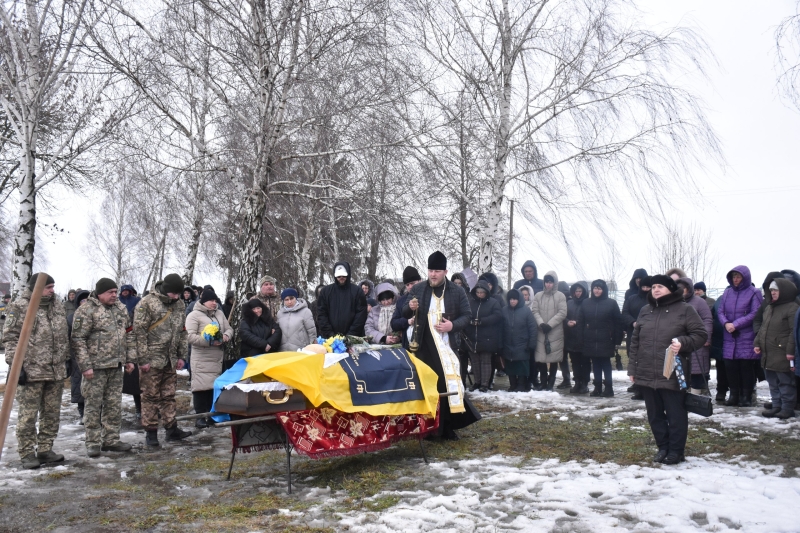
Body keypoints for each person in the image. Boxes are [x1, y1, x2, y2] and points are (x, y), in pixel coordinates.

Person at [628, 275, 708, 465]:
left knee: (675, 415)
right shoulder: (645, 311)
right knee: (654, 415)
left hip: (672, 371)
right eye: (654, 286)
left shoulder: (685, 309)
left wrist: (683, 343)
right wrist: (632, 368)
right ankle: (663, 447)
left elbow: (700, 335)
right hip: (647, 372)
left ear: (671, 289)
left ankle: (676, 451)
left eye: (660, 286)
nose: (655, 289)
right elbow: (635, 341)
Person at [403, 251, 479, 440]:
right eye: (430, 270)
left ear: (445, 271)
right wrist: (410, 309)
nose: (433, 274)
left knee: (447, 385)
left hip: (447, 345)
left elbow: (467, 315)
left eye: (437, 270)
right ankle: (428, 428)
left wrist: (452, 325)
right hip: (423, 345)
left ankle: (445, 427)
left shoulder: (456, 290)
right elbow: (404, 311)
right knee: (428, 385)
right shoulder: (418, 289)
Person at [2, 274, 69, 469]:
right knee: (28, 415)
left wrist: (67, 358)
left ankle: (45, 449)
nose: (52, 291)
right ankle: (26, 452)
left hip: (55, 369)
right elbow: (11, 337)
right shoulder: (20, 306)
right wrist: (17, 366)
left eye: (53, 287)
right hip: (31, 370)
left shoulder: (57, 304)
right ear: (36, 289)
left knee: (51, 413)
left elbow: (62, 334)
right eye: (48, 287)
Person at [71, 279, 136, 456]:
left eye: (115, 291)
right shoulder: (86, 310)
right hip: (95, 368)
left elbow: (129, 334)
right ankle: (92, 442)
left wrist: (130, 359)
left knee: (113, 405)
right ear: (99, 293)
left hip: (115, 366)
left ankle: (111, 440)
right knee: (93, 406)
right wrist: (85, 366)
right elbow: (78, 339)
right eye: (110, 292)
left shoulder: (121, 309)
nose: (114, 295)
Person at [133, 272, 192, 447]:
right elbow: (139, 333)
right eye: (174, 293)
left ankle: (171, 429)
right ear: (166, 290)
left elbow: (182, 331)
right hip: (152, 359)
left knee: (169, 395)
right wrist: (143, 359)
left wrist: (181, 355)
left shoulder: (179, 304)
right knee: (150, 396)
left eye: (179, 294)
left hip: (170, 358)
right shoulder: (147, 303)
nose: (176, 297)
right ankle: (151, 433)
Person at [185, 288, 233, 428]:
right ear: (203, 301)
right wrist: (209, 341)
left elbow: (229, 328)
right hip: (202, 357)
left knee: (214, 387)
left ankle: (213, 416)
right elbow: (189, 336)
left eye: (215, 300)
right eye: (211, 300)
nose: (214, 303)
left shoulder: (219, 313)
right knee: (201, 387)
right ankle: (200, 416)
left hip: (217, 357)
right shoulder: (194, 315)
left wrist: (226, 336)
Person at [716, 265, 763, 407]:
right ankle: (734, 395)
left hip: (746, 336)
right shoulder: (727, 293)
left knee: (746, 367)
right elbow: (720, 311)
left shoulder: (754, 292)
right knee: (730, 367)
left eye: (738, 277)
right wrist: (726, 324)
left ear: (745, 277)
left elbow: (755, 313)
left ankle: (746, 396)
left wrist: (736, 324)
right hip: (730, 335)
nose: (735, 280)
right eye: (733, 277)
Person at [754, 278, 798, 419]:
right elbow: (763, 328)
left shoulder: (792, 308)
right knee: (772, 381)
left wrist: (790, 351)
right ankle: (776, 405)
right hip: (768, 352)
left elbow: (794, 332)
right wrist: (757, 343)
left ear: (783, 291)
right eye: (771, 290)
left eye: (775, 290)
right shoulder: (769, 307)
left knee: (785, 382)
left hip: (782, 353)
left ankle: (787, 408)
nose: (772, 293)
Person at [578, 279, 622, 397]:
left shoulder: (611, 303)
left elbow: (618, 322)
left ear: (604, 290)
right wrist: (581, 337)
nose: (597, 290)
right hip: (590, 338)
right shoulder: (586, 303)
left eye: (599, 288)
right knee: (595, 363)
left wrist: (617, 339)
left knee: (606, 363)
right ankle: (597, 387)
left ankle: (609, 388)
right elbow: (581, 321)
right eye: (595, 288)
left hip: (606, 338)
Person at [464, 280, 503, 392]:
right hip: (472, 336)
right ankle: (477, 382)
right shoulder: (470, 302)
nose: (480, 294)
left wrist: (482, 321)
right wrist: (471, 321)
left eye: (482, 292)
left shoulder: (493, 302)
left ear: (486, 292)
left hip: (487, 337)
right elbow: (465, 314)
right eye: (478, 292)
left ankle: (484, 384)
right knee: (475, 361)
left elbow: (497, 316)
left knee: (485, 362)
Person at [677, 277, 714, 396]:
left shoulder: (699, 302)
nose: (681, 291)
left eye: (684, 288)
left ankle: (696, 397)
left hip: (697, 342)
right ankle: (682, 396)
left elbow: (707, 319)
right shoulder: (674, 303)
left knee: (697, 371)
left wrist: (706, 338)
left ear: (689, 289)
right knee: (680, 370)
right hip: (679, 343)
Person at [532, 271, 567, 391]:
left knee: (553, 359)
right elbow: (535, 311)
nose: (548, 284)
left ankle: (550, 383)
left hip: (555, 331)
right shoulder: (538, 295)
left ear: (554, 283)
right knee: (541, 358)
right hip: (541, 330)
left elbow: (562, 312)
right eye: (546, 282)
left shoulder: (560, 296)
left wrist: (550, 325)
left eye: (550, 282)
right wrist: (541, 323)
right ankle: (543, 381)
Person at [316, 261, 368, 337]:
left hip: (353, 338)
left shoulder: (357, 291)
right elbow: (322, 314)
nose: (341, 278)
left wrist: (351, 335)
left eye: (343, 275)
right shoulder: (326, 292)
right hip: (330, 339)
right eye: (339, 276)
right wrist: (330, 334)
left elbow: (361, 315)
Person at [621, 276, 652, 400]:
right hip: (633, 333)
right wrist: (633, 322)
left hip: (649, 334)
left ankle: (648, 389)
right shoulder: (632, 299)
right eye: (643, 287)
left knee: (647, 361)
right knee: (635, 360)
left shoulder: (655, 300)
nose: (645, 289)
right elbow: (625, 312)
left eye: (648, 287)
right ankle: (638, 388)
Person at [502, 289, 537, 392]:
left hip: (522, 344)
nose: (513, 301)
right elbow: (500, 328)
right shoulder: (504, 310)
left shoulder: (526, 311)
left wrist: (531, 344)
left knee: (522, 366)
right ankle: (512, 384)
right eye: (511, 299)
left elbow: (532, 328)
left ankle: (521, 385)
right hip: (508, 344)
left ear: (519, 300)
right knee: (510, 365)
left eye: (515, 299)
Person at [118, 283, 143, 419]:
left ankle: (148, 408)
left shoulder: (138, 301)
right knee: (134, 381)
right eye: (124, 290)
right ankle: (139, 408)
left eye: (128, 290)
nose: (126, 292)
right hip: (127, 343)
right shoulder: (118, 303)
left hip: (142, 343)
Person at [67, 289, 90, 422]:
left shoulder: (96, 316)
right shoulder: (71, 318)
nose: (85, 303)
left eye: (87, 300)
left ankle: (95, 413)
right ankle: (82, 412)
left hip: (93, 356)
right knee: (79, 385)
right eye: (82, 300)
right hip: (76, 357)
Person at [564, 281, 589, 394]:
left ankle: (584, 383)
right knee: (574, 362)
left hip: (584, 338)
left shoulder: (588, 303)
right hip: (571, 338)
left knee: (585, 363)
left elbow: (589, 318)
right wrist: (568, 322)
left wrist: (577, 322)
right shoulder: (569, 303)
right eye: (576, 291)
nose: (578, 293)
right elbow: (563, 316)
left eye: (580, 291)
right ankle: (577, 382)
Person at [391, 267, 423, 349]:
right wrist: (407, 321)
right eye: (407, 284)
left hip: (425, 345)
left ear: (420, 281)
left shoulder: (427, 296)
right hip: (407, 345)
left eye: (412, 283)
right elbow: (394, 323)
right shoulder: (401, 301)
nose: (410, 287)